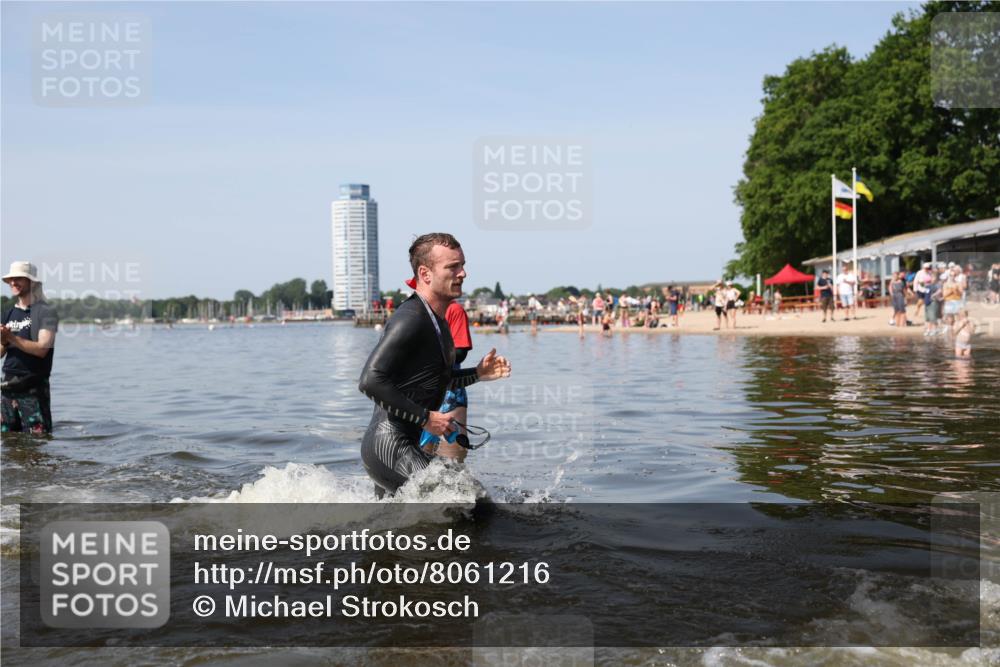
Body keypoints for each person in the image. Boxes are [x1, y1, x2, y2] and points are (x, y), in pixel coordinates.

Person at [357, 234, 511, 498]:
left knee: (399, 531)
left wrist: (476, 374)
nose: (463, 273)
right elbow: (370, 380)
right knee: (473, 506)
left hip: (402, 444)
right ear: (425, 274)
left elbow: (433, 380)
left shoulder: (437, 320)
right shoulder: (411, 318)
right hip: (389, 446)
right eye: (452, 267)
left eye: (462, 265)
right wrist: (425, 417)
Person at [1, 261, 58, 435]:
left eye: (18, 278)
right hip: (7, 386)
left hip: (33, 387)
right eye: (11, 279)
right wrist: (4, 341)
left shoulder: (46, 312)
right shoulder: (8, 313)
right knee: (8, 440)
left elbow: (42, 349)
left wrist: (11, 337)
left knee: (38, 441)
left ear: (32, 282)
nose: (13, 282)